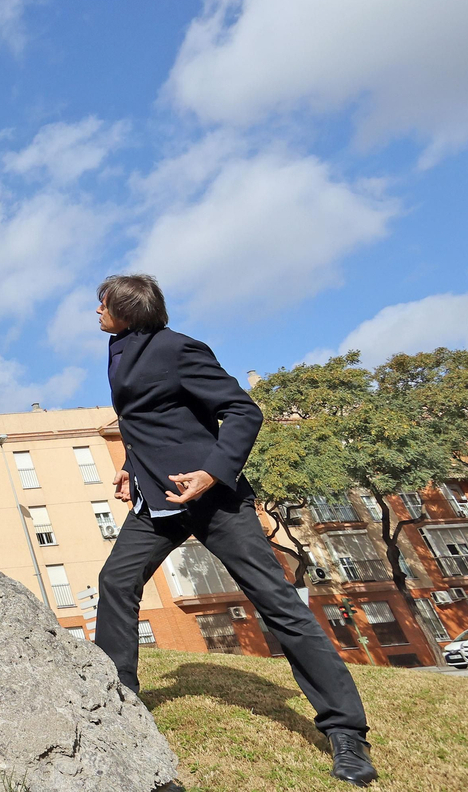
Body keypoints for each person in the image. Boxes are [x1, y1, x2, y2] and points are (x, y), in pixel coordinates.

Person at [92, 274, 377, 787]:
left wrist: (211, 472)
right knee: (116, 581)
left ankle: (346, 732)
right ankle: (119, 703)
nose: (97, 312)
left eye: (103, 304)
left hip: (213, 498)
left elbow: (242, 410)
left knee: (278, 604)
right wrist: (132, 464)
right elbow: (150, 420)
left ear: (128, 310)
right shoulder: (118, 349)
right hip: (157, 498)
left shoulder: (180, 348)